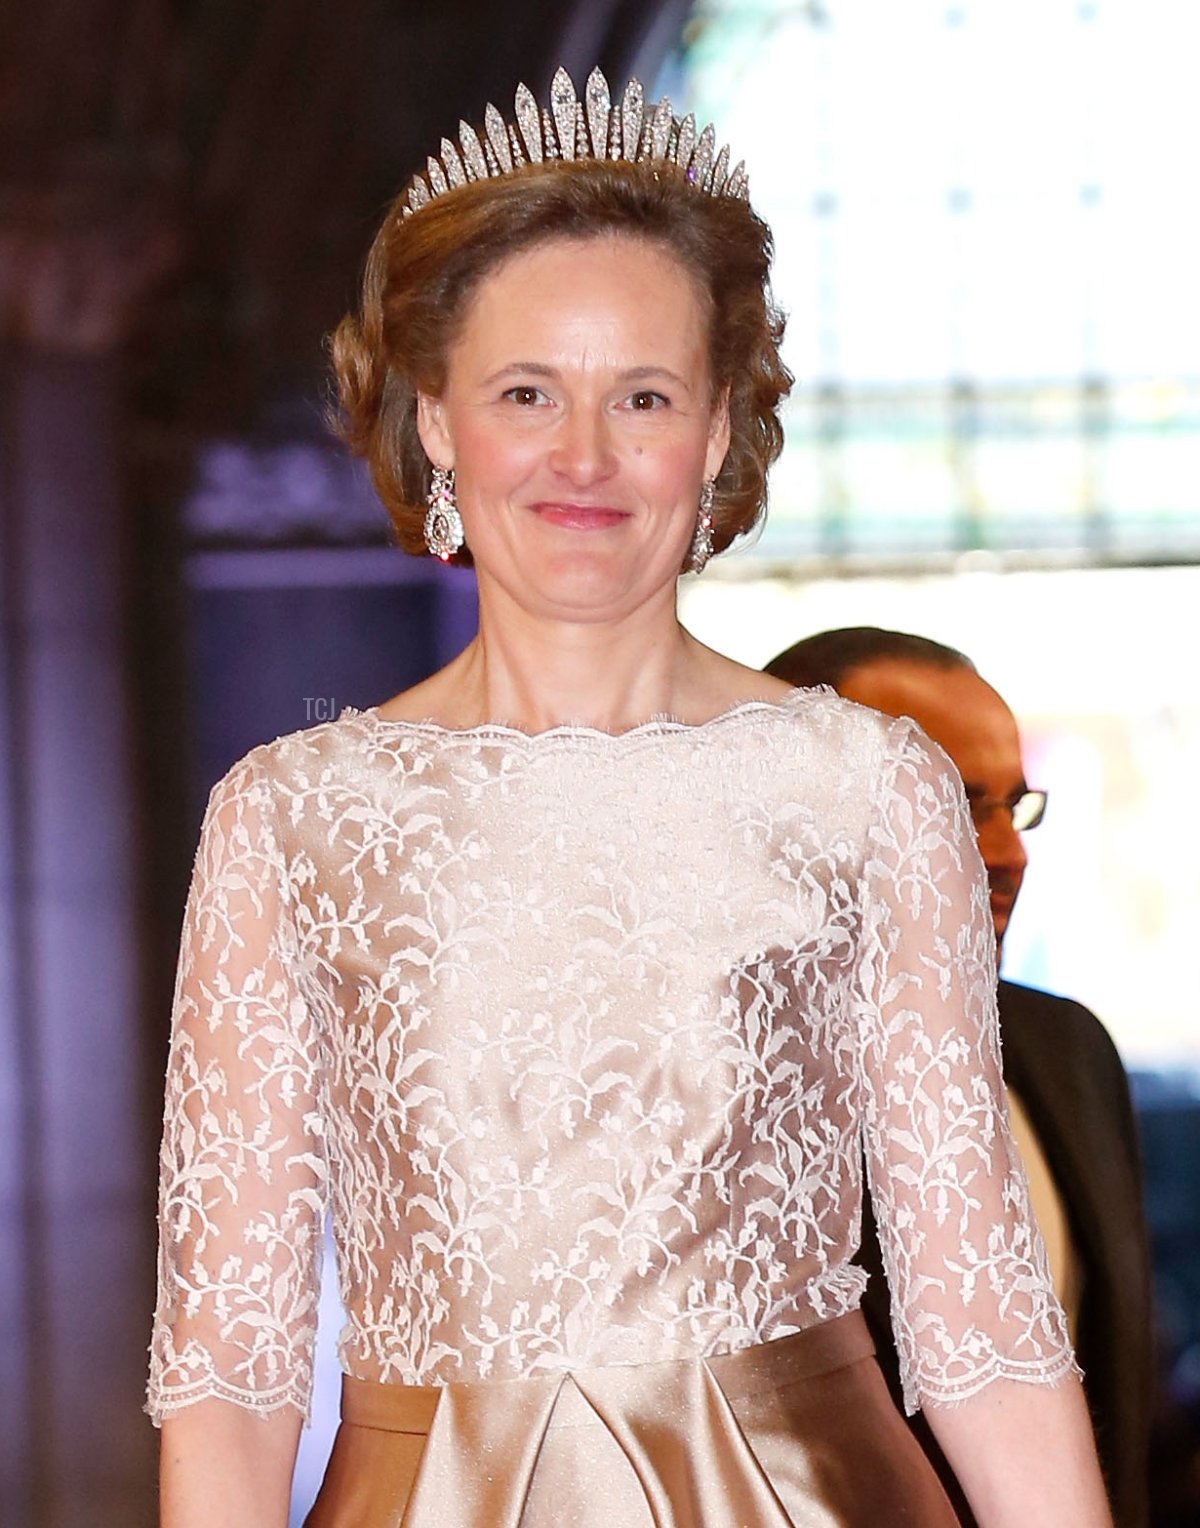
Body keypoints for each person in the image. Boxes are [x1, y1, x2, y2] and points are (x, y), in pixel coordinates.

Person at [148, 69, 1112, 1528]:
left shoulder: (867, 787)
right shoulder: (291, 819)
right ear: (436, 426)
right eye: (528, 393)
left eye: (642, 396)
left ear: (717, 434)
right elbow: (228, 1370)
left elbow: (982, 1328)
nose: (583, 456)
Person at [764, 627, 1153, 1527]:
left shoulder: (1068, 1049)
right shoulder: (711, 1081)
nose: (1009, 854)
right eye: (957, 806)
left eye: (1015, 807)